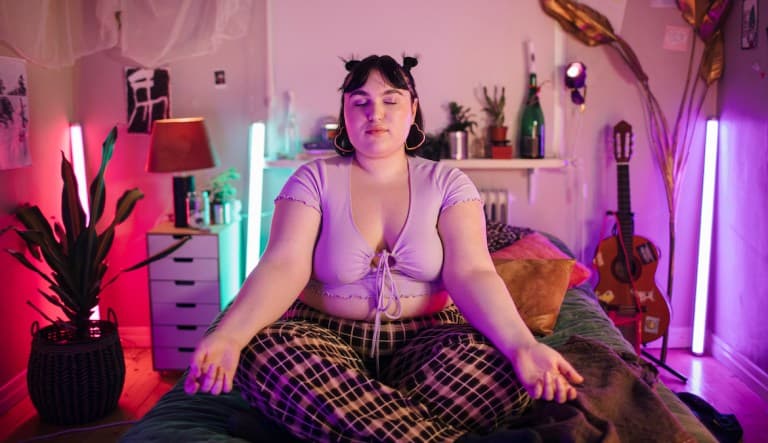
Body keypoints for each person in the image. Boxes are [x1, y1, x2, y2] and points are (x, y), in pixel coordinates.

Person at [185, 54, 584, 442]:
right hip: (324, 337)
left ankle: (306, 426)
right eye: (360, 102)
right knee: (265, 353)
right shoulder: (312, 179)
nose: (375, 113)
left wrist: (522, 346)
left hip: (428, 340)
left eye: (390, 100)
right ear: (345, 114)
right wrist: (231, 337)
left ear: (412, 110)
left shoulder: (448, 182)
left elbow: (473, 272)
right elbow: (282, 264)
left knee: (498, 366)